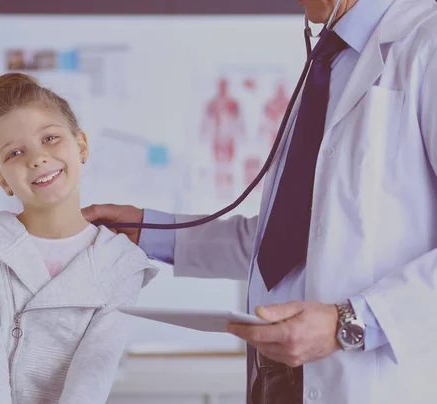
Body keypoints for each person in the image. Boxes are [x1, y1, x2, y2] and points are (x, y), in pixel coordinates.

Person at [82, 0, 437, 403]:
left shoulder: (427, 42)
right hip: (275, 380)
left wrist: (349, 323)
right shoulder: (331, 64)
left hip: (372, 379)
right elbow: (291, 243)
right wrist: (148, 232)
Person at [0, 73, 158, 404]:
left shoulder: (121, 263)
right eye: (14, 153)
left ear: (82, 146)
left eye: (49, 139)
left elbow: (92, 374)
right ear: (2, 180)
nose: (36, 158)